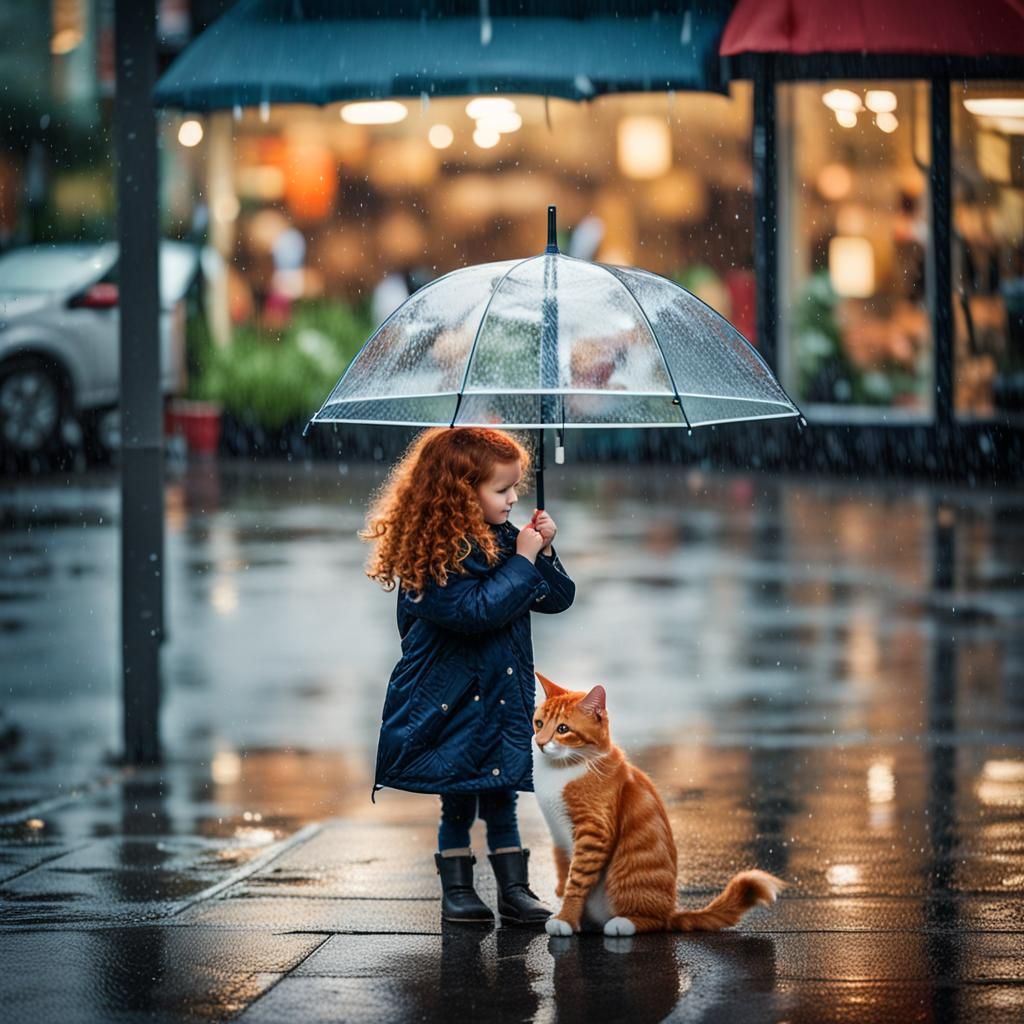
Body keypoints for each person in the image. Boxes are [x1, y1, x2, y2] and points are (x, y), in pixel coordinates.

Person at [360, 427, 576, 925]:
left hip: (499, 693)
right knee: (458, 794)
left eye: (516, 487)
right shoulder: (430, 556)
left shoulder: (504, 538)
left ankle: (514, 889)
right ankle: (457, 889)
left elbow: (555, 598)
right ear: (461, 492)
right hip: (449, 699)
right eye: (502, 490)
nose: (514, 497)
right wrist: (522, 561)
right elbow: (477, 611)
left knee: (501, 793)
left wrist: (542, 552)